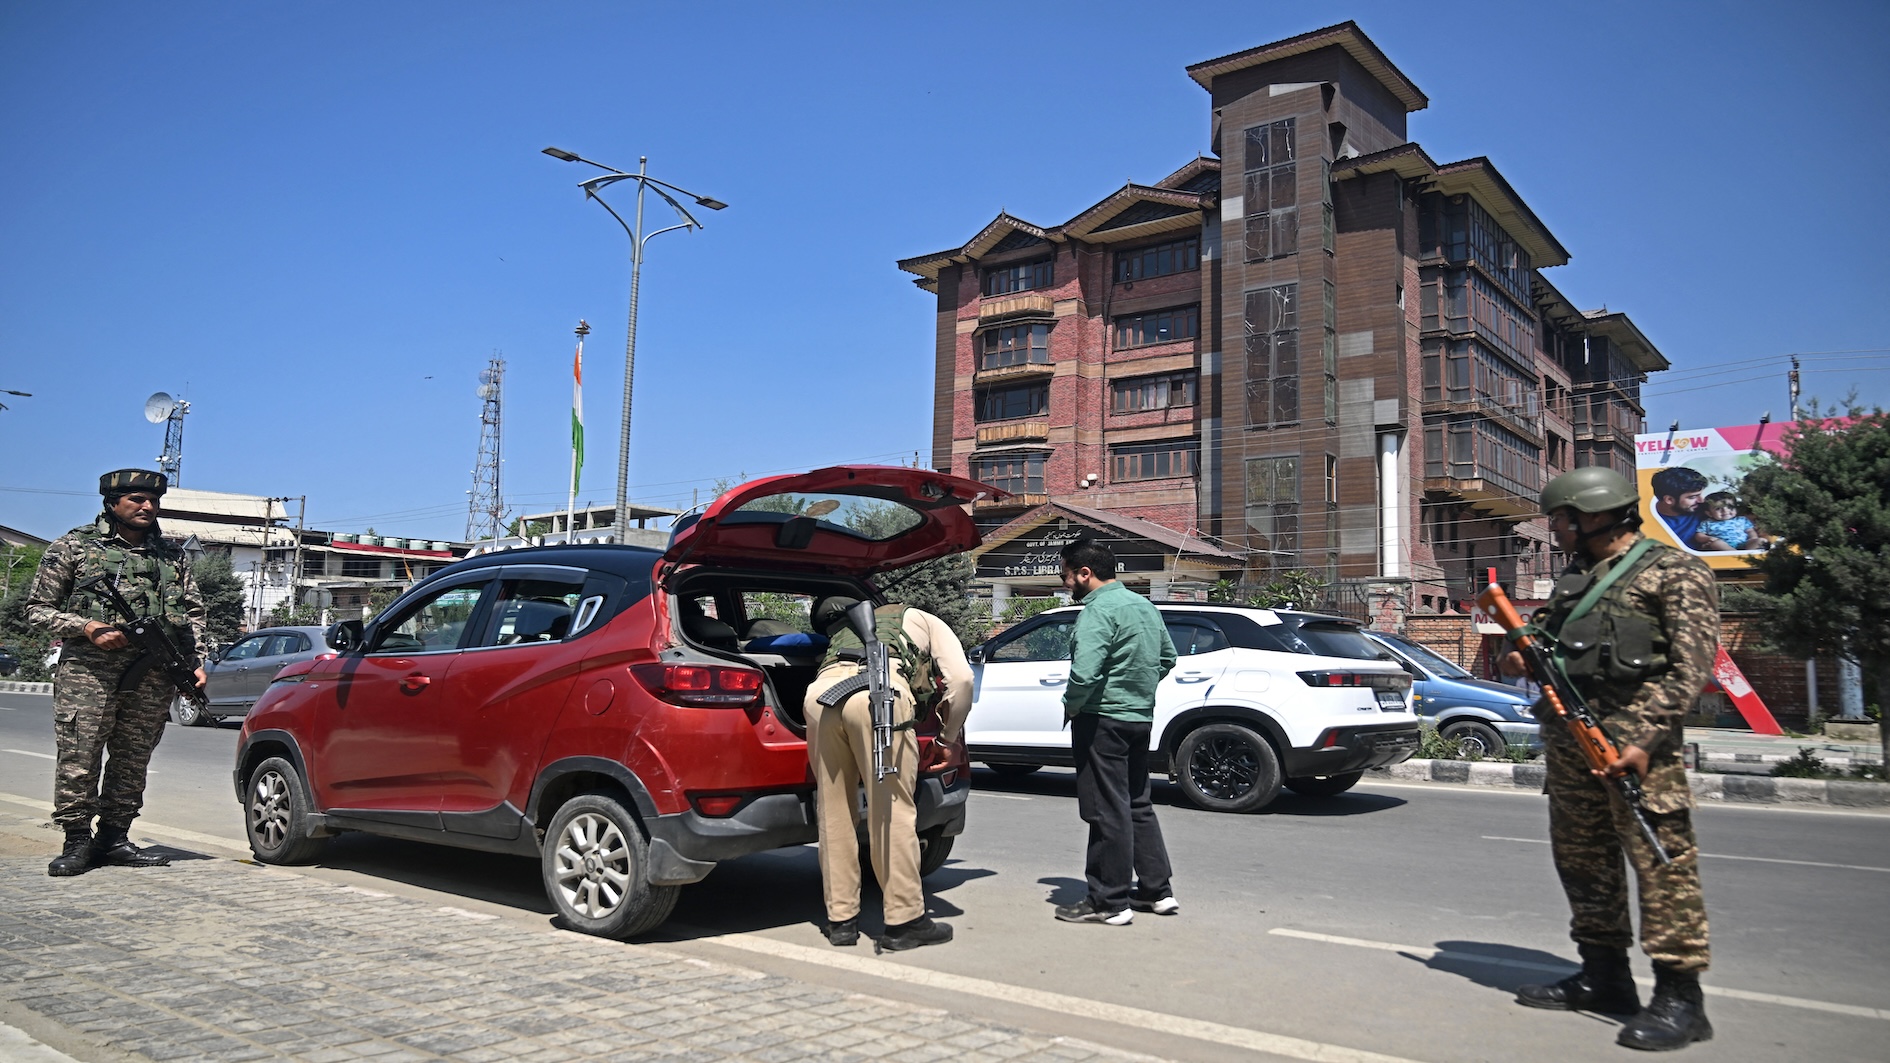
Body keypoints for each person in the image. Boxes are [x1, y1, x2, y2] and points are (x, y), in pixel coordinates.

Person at [1499, 467, 1718, 1051]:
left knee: (1662, 867)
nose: (1556, 531)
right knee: (1583, 861)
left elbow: (1690, 669)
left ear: (1592, 516)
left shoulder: (1675, 571)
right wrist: (1516, 657)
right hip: (1571, 748)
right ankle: (1604, 977)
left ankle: (1681, 999)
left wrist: (1641, 740)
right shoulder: (1574, 580)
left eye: (1560, 520)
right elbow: (1535, 644)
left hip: (1636, 753)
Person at [24, 469, 207, 877]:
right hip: (90, 671)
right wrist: (87, 627)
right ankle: (76, 841)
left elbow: (193, 614)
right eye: (137, 499)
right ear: (112, 504)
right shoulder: (73, 547)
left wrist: (197, 661)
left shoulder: (172, 555)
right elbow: (36, 609)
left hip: (153, 673)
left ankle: (115, 837)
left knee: (132, 758)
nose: (147, 507)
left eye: (152, 501)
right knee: (80, 755)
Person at [803, 594, 972, 951]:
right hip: (879, 696)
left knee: (833, 814)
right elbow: (961, 681)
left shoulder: (842, 630)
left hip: (821, 699)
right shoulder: (922, 618)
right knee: (891, 814)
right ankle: (905, 920)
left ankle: (841, 921)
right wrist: (947, 737)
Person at [1054, 538, 1177, 926]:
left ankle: (1109, 901)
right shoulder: (1144, 606)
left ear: (1085, 574)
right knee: (1137, 802)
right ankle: (1157, 892)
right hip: (1138, 718)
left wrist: (1072, 703)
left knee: (1107, 809)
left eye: (1067, 576)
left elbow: (1085, 672)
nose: (1066, 585)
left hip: (1100, 718)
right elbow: (1167, 658)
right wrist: (1135, 689)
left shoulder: (1096, 611)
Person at [1648, 466, 1710, 550]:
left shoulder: (1707, 510)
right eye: (1692, 497)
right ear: (1669, 499)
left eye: (1700, 494)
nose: (1701, 500)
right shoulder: (1647, 522)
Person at [1693, 492, 1764, 552]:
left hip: (1745, 545)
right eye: (1718, 508)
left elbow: (1750, 531)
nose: (1725, 511)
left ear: (1736, 508)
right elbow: (1699, 535)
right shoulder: (1707, 523)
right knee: (1716, 544)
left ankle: (1747, 555)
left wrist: (1753, 538)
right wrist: (1708, 538)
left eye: (1730, 507)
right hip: (1723, 548)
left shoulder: (1742, 519)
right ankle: (1735, 554)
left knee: (1761, 541)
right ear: (1709, 513)